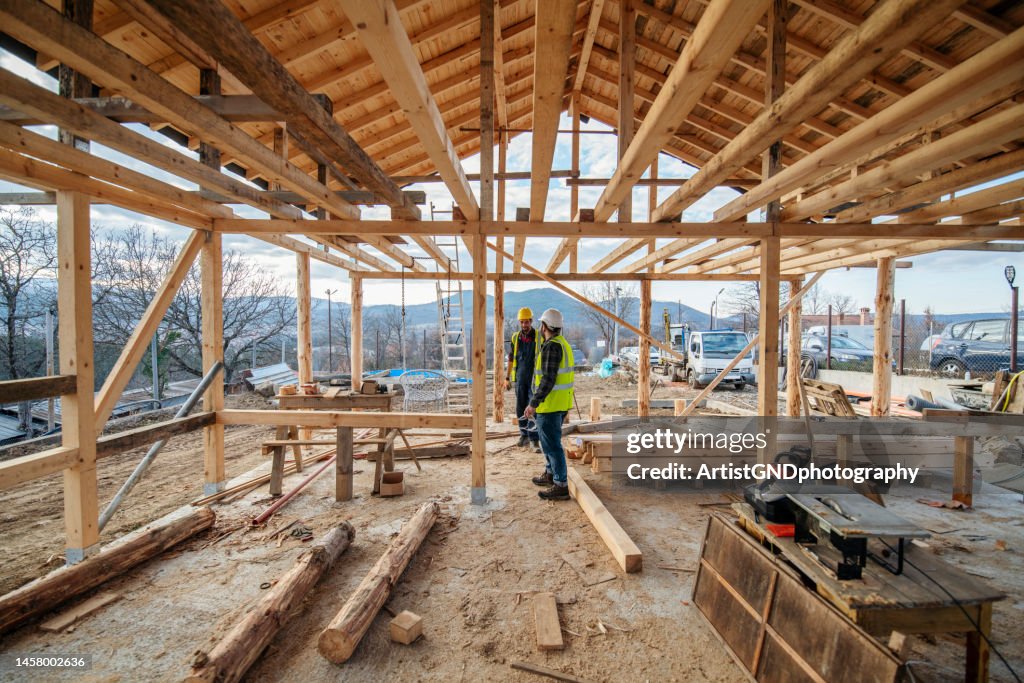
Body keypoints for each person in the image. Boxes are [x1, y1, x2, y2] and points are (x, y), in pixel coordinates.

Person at [524, 308, 574, 501]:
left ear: (544, 326)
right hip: (557, 404)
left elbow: (548, 379)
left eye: (540, 324)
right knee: (548, 443)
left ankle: (560, 484)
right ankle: (550, 474)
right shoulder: (562, 343)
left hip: (550, 406)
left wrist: (533, 403)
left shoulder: (552, 347)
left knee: (552, 446)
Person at [505, 307, 540, 452]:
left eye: (527, 322)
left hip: (533, 379)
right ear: (520, 322)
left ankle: (534, 439)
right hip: (519, 379)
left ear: (531, 321)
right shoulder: (515, 337)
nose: (524, 325)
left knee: (532, 408)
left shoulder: (539, 337)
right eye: (522, 322)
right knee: (520, 408)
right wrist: (507, 378)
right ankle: (523, 434)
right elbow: (511, 359)